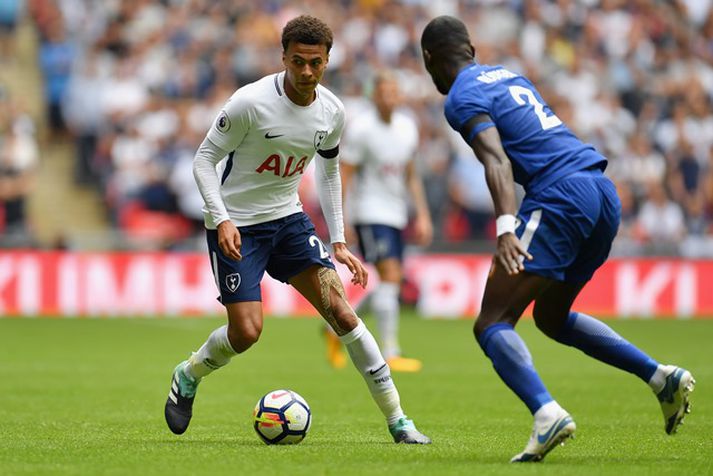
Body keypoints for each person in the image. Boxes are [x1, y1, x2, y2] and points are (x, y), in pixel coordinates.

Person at [420, 15, 694, 462]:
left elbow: (496, 161)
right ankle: (660, 377)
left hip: (560, 194)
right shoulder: (509, 75)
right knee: (551, 316)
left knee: (491, 321)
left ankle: (546, 413)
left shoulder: (461, 96)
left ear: (429, 58)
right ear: (470, 48)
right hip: (602, 191)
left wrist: (506, 227)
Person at [164, 15, 430, 445]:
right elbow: (203, 160)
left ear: (328, 61)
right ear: (284, 57)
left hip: (288, 221)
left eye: (316, 63)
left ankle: (400, 422)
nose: (307, 72)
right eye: (298, 62)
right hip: (237, 226)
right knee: (246, 332)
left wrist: (339, 241)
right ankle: (188, 373)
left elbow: (328, 174)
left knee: (344, 313)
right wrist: (223, 217)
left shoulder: (332, 112)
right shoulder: (249, 102)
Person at [325, 72, 433, 372]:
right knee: (390, 276)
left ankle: (336, 330)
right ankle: (390, 351)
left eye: (393, 92)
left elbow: (411, 174)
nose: (388, 98)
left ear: (399, 96)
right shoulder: (361, 129)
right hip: (370, 212)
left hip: (397, 213)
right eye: (383, 92)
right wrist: (341, 219)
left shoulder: (407, 127)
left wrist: (422, 214)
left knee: (390, 283)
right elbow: (344, 174)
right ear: (374, 96)